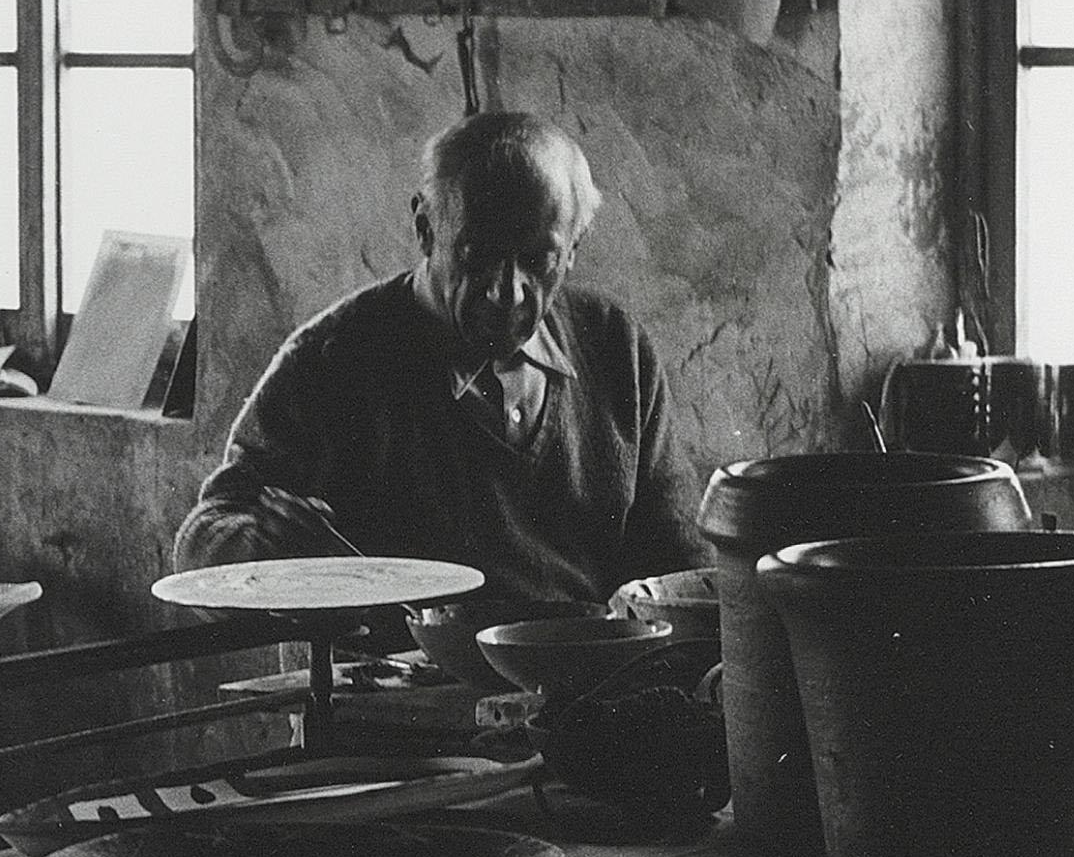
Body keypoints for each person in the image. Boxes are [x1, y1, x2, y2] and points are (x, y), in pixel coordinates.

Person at [173, 112, 699, 604]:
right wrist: (270, 552)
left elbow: (679, 565)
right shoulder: (333, 360)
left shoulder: (616, 350)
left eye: (538, 261)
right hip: (393, 688)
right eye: (480, 256)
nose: (509, 293)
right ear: (426, 228)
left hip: (581, 681)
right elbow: (202, 542)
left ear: (574, 246)